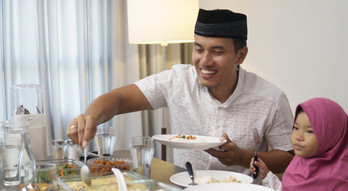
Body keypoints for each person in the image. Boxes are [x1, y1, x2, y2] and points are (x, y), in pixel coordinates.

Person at [67, 9, 294, 175]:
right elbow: (118, 99)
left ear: (241, 56)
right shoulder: (176, 80)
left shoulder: (270, 98)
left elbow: (289, 158)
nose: (204, 61)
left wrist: (242, 157)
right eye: (198, 49)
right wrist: (91, 118)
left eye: (217, 52)